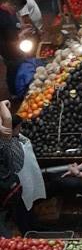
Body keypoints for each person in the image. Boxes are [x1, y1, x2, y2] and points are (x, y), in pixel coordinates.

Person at [0, 100, 30, 235]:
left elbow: (6, 119)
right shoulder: (6, 141)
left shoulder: (6, 141)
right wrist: (2, 104)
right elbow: (6, 118)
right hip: (9, 183)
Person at [11, 114, 45, 218]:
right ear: (15, 127)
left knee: (27, 203)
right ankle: (25, 228)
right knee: (21, 205)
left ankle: (30, 224)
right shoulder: (8, 143)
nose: (20, 128)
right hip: (17, 181)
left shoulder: (19, 138)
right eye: (19, 126)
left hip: (26, 178)